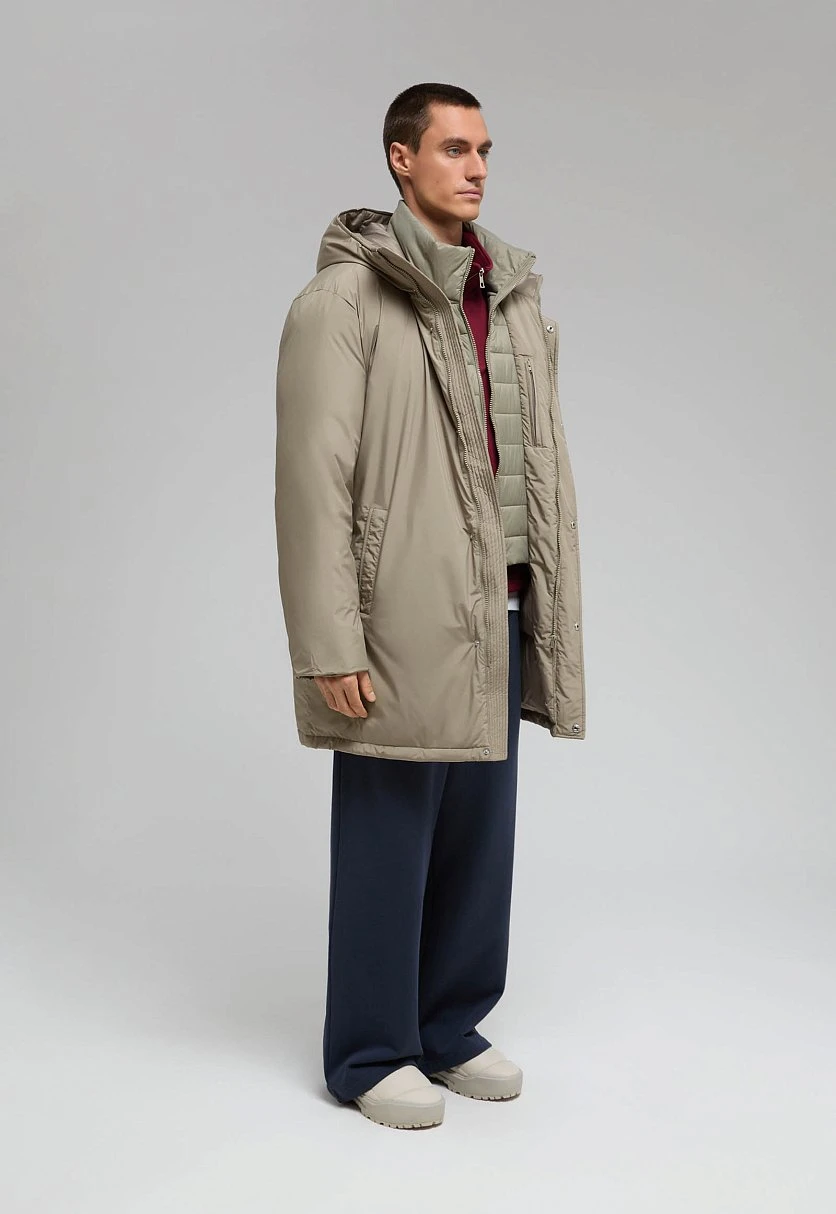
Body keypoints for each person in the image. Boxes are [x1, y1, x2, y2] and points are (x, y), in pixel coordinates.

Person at [274, 82, 586, 1130]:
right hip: (395, 614)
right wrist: (329, 641)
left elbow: (533, 460)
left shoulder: (513, 293)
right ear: (400, 159)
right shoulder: (343, 302)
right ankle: (370, 1050)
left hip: (499, 602)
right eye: (453, 148)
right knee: (388, 836)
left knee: (477, 837)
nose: (477, 167)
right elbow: (311, 484)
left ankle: (449, 1026)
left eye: (484, 148)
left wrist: (545, 599)